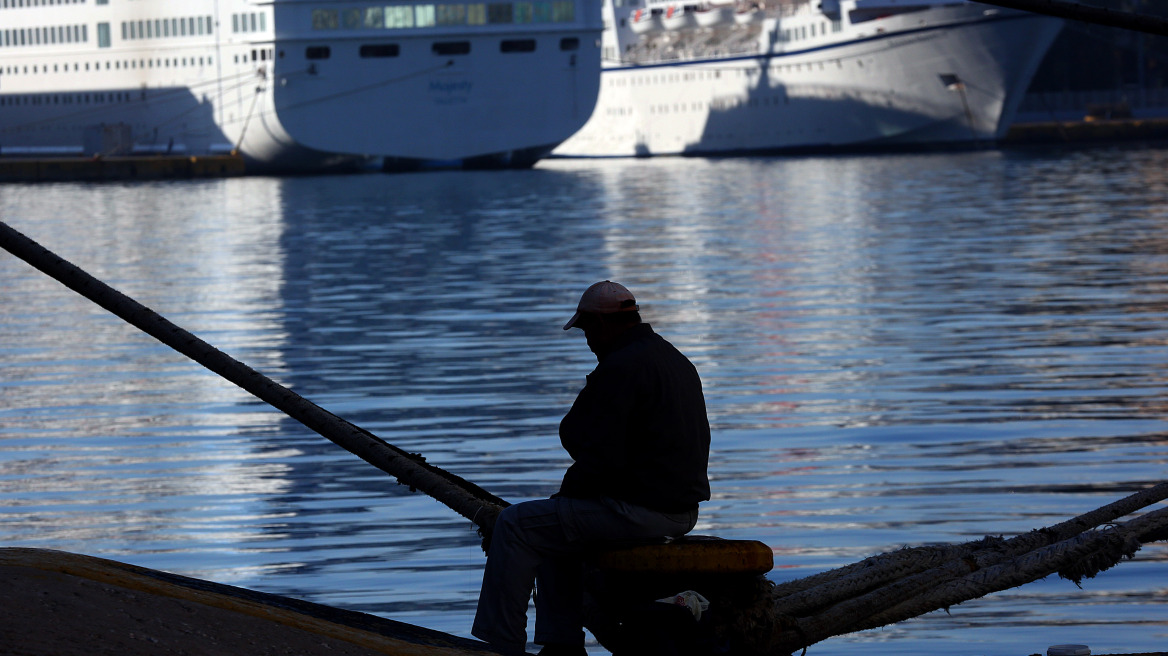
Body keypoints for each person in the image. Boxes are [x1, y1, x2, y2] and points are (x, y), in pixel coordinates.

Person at [472, 281, 711, 656]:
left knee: (516, 525)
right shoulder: (673, 359)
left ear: (601, 325)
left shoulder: (621, 367)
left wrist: (567, 495)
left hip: (643, 511)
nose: (588, 342)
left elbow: (594, 449)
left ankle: (502, 646)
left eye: (586, 331)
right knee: (555, 528)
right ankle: (561, 645)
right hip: (682, 511)